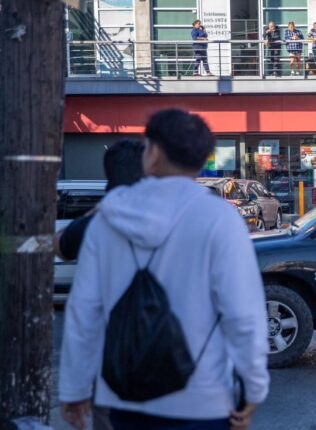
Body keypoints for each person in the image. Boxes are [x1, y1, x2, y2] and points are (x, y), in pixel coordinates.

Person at [59, 109, 269, 430]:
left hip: (122, 395)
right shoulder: (219, 218)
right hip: (202, 396)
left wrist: (73, 390)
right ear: (201, 159)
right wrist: (255, 388)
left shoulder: (106, 218)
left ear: (153, 152)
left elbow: (83, 310)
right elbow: (243, 314)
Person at [54, 139, 144, 430]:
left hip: (113, 364)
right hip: (178, 363)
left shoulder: (99, 224)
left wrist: (73, 391)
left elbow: (61, 246)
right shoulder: (182, 218)